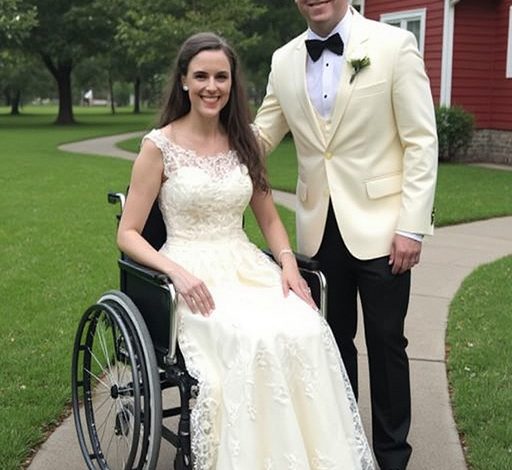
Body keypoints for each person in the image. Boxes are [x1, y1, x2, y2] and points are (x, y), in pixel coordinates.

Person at [117, 32, 375, 469]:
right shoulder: (158, 147)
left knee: (307, 328)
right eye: (201, 76)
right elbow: (128, 233)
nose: (211, 86)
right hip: (191, 268)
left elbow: (269, 219)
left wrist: (288, 265)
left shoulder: (245, 143)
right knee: (250, 339)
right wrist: (175, 271)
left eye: (221, 77)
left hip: (244, 264)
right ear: (183, 80)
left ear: (232, 83)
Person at [254, 2, 438, 469]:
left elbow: (420, 140)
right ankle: (346, 449)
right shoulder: (283, 59)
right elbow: (261, 136)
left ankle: (392, 457)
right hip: (317, 230)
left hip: (384, 230)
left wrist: (411, 226)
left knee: (386, 342)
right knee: (332, 344)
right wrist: (197, 144)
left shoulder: (394, 45)